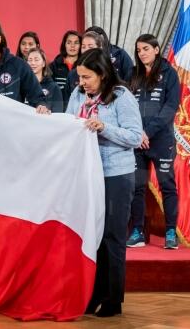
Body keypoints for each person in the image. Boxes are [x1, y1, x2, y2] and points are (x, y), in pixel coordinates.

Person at [64, 48, 142, 317]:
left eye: (87, 77)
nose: (82, 82)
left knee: (112, 237)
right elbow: (68, 124)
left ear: (102, 74)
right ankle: (92, 293)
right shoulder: (76, 95)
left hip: (116, 175)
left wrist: (104, 128)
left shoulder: (121, 96)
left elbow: (135, 136)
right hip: (87, 174)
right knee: (92, 236)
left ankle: (112, 299)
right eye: (80, 77)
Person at [127, 34, 180, 249]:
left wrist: (146, 132)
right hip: (138, 142)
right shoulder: (133, 74)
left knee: (167, 186)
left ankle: (170, 232)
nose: (142, 53)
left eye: (146, 49)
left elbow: (170, 108)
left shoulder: (169, 74)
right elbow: (127, 105)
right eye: (139, 50)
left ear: (157, 49)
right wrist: (136, 133)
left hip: (160, 141)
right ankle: (138, 231)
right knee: (137, 187)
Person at [65, 31, 107, 97]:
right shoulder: (72, 74)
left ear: (100, 48)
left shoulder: (108, 71)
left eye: (90, 47)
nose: (86, 50)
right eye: (83, 47)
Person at [27, 48, 63, 112]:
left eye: (36, 60)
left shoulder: (54, 87)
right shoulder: (21, 86)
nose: (32, 63)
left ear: (43, 63)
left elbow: (58, 113)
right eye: (30, 60)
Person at [49, 30, 81, 103]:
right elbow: (50, 89)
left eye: (76, 43)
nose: (72, 46)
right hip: (59, 107)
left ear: (80, 46)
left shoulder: (84, 65)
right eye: (69, 42)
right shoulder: (54, 66)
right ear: (64, 45)